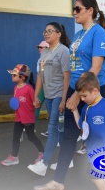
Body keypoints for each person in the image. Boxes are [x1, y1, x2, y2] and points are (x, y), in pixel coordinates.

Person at [33, 0, 105, 190]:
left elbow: (95, 67)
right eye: (74, 9)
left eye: (77, 9)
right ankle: (58, 182)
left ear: (90, 10)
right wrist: (69, 91)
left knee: (99, 137)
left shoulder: (99, 33)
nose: (74, 12)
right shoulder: (78, 36)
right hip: (75, 90)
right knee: (68, 135)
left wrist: (78, 94)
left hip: (96, 91)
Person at [27, 22, 71, 176]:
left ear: (58, 34)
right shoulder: (44, 53)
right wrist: (36, 96)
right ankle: (68, 158)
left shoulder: (63, 51)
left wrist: (64, 99)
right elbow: (40, 76)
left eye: (50, 31)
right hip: (49, 95)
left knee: (52, 128)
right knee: (59, 129)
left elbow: (67, 77)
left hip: (60, 95)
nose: (46, 33)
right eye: (45, 31)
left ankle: (44, 163)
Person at [1, 64, 44, 166]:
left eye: (14, 74)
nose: (12, 76)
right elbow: (16, 102)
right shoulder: (15, 87)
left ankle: (42, 152)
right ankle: (14, 157)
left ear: (22, 77)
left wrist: (36, 103)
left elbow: (35, 101)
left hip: (28, 118)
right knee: (16, 137)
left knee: (31, 136)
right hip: (18, 118)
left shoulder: (29, 89)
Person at [34, 41, 50, 135]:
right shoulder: (40, 59)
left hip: (51, 87)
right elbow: (39, 75)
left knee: (51, 108)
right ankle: (31, 127)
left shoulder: (51, 58)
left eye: (41, 47)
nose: (39, 49)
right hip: (42, 86)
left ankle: (52, 130)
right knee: (36, 105)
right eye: (39, 47)